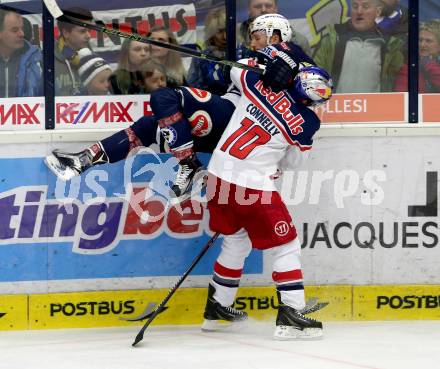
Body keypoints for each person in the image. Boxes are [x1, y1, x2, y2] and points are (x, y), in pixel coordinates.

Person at [45, 15, 319, 202]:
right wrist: (226, 67)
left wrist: (289, 66)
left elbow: (320, 86)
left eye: (257, 36)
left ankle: (188, 167)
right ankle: (81, 162)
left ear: (276, 34)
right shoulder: (250, 60)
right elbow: (222, 78)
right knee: (149, 126)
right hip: (224, 128)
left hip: (234, 122)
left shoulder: (295, 59)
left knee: (164, 98)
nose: (252, 42)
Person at [201, 62, 332, 339]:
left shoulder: (258, 83)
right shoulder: (308, 120)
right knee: (287, 245)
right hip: (251, 185)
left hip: (216, 176)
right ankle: (292, 315)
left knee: (236, 240)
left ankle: (218, 308)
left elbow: (231, 68)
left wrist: (263, 68)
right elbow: (293, 162)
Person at [313, 0, 405, 93]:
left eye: (365, 7)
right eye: (355, 6)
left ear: (377, 12)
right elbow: (313, 78)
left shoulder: (389, 45)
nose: (359, 11)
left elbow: (399, 84)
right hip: (338, 106)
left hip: (376, 106)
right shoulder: (331, 40)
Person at [237, 0, 312, 58]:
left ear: (276, 9)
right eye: (258, 6)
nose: (263, 10)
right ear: (249, 10)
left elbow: (308, 73)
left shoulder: (299, 41)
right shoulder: (234, 39)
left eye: (268, 6)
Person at [0, 8, 42, 97]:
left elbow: (53, 98)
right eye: (15, 30)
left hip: (30, 111)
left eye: (21, 29)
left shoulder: (37, 61)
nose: (22, 34)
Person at [187, 8, 229, 95]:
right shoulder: (201, 58)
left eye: (227, 30)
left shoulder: (242, 53)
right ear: (211, 34)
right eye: (219, 32)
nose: (225, 36)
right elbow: (193, 90)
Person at [55, 7, 93, 96]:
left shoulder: (93, 58)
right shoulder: (47, 61)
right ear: (66, 33)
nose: (89, 36)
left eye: (89, 30)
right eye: (83, 31)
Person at [394, 19, 440, 93]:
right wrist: (427, 63)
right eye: (420, 40)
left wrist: (428, 64)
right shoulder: (409, 68)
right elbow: (403, 98)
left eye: (428, 41)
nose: (422, 45)